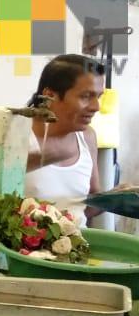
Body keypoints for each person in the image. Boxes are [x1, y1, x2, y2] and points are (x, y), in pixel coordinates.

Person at [24, 54, 105, 226]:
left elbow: (88, 205)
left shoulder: (87, 137)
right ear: (50, 95)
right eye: (85, 96)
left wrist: (117, 198)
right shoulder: (18, 136)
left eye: (98, 96)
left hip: (75, 248)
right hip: (23, 251)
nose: (96, 107)